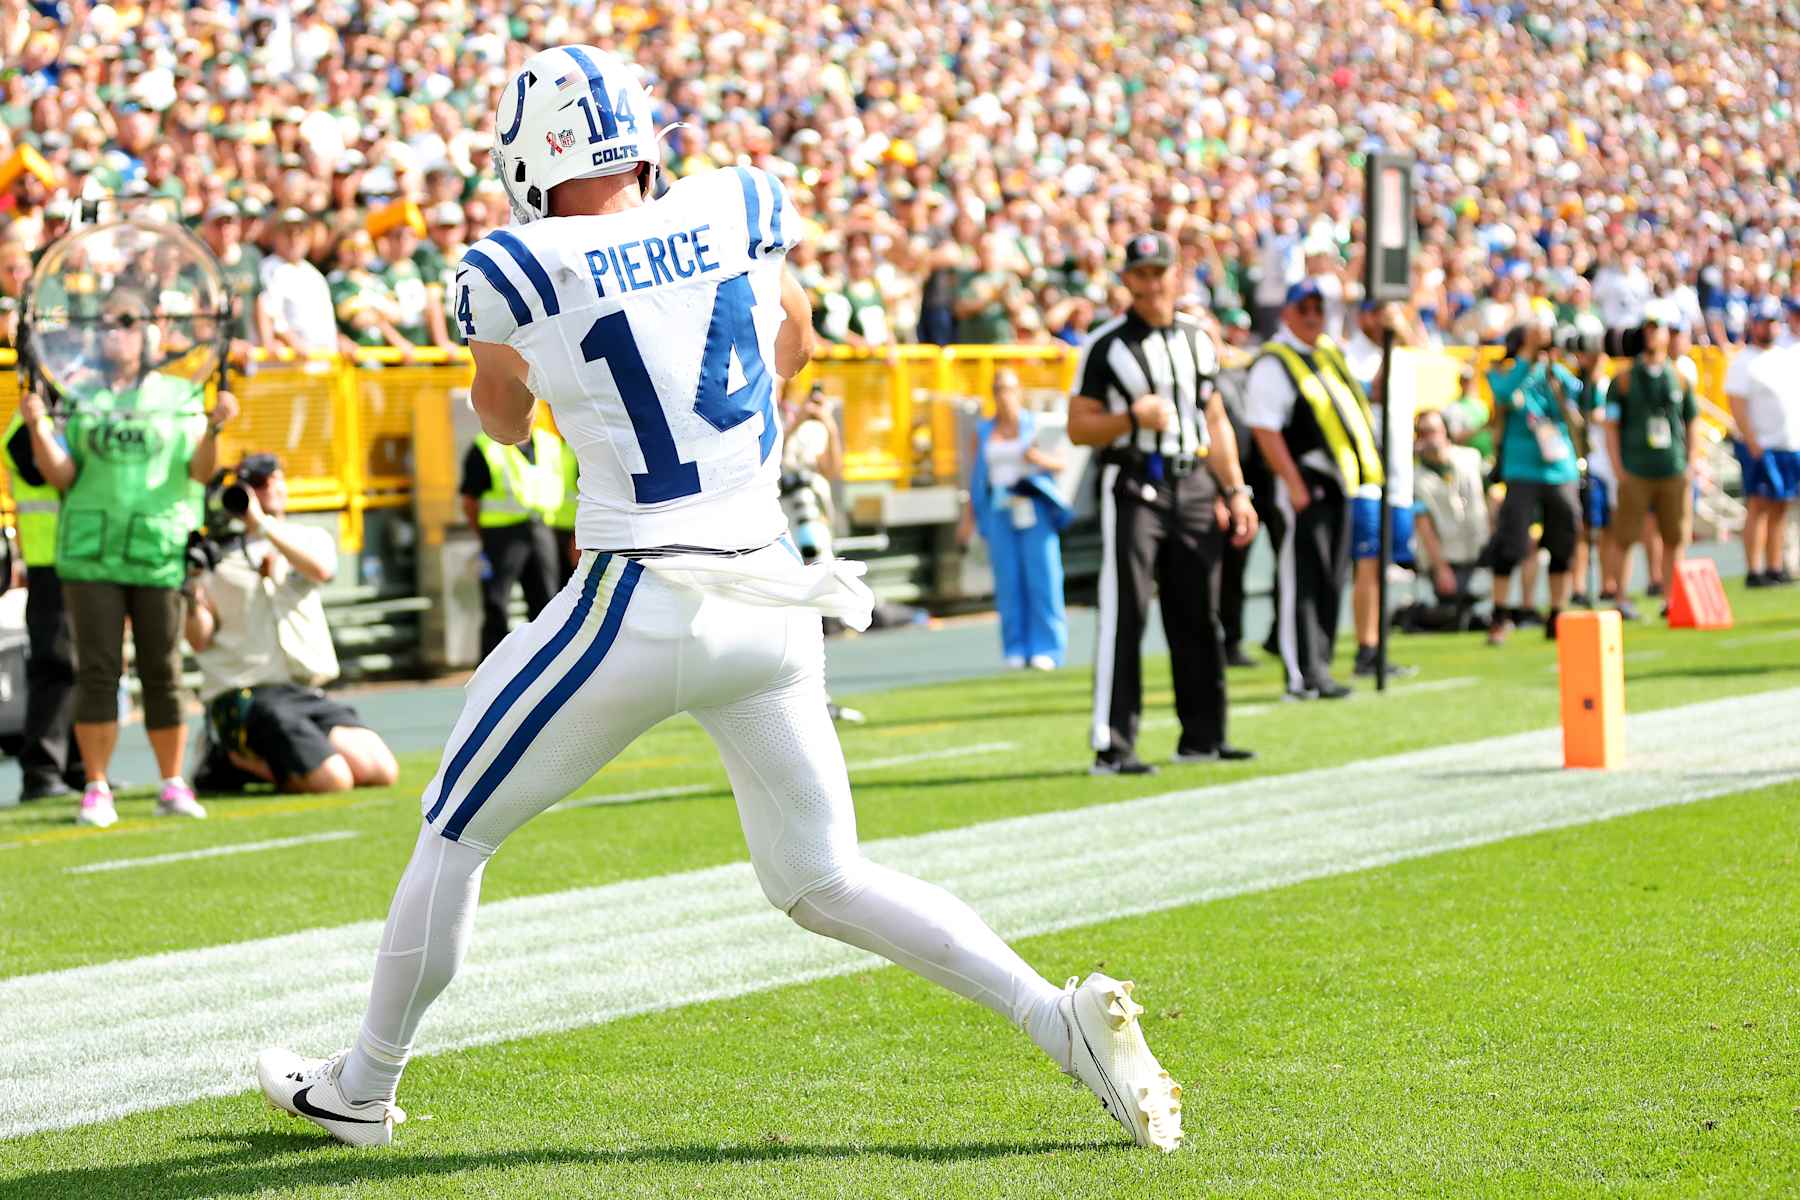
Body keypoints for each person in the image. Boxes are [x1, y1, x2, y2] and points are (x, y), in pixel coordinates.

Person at [256, 45, 1181, 1155]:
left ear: (528, 155)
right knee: (825, 874)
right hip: (771, 595)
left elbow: (500, 420)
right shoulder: (739, 199)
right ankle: (1055, 1018)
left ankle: (362, 1085)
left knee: (454, 828)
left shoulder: (516, 261)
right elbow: (792, 343)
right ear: (641, 138)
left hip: (638, 597)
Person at [17, 287, 238, 827]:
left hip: (157, 549)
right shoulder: (81, 392)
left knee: (164, 670)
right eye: (111, 322)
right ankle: (95, 786)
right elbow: (61, 476)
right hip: (92, 553)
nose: (120, 332)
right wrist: (39, 426)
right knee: (97, 670)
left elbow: (199, 472)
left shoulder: (180, 394)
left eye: (130, 321)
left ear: (151, 330)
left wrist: (214, 426)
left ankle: (172, 782)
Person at [1068, 231, 1259, 774]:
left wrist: (1235, 490)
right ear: (1127, 280)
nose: (1152, 283)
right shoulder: (1106, 345)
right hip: (1133, 483)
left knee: (1199, 612)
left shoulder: (1199, 340)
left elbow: (1214, 418)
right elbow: (1079, 426)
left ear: (1177, 275)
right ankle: (1114, 745)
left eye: (1160, 272)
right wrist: (1130, 419)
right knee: (1126, 612)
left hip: (1194, 481)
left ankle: (1203, 736)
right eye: (1142, 274)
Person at [184, 454, 399, 794]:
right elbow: (198, 640)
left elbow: (322, 570)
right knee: (334, 781)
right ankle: (225, 756)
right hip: (249, 695)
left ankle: (242, 760)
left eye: (275, 478)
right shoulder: (214, 556)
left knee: (381, 769)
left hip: (304, 691)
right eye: (256, 484)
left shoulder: (306, 537)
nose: (270, 487)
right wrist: (191, 589)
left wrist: (264, 526)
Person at [1246, 279, 1381, 700]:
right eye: (1303, 307)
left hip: (1339, 481)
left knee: (1329, 576)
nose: (1312, 315)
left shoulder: (1327, 353)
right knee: (1301, 578)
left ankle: (1319, 666)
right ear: (1286, 312)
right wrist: (1293, 483)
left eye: (1318, 308)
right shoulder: (1275, 361)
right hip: (1304, 479)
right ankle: (1301, 672)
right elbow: (1265, 428)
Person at [958, 368, 1071, 670]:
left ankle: (1047, 647)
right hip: (999, 509)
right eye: (997, 389)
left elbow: (1061, 462)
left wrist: (1038, 460)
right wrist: (968, 517)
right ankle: (1015, 647)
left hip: (1034, 509)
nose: (1003, 396)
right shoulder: (983, 431)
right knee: (1008, 582)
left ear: (1019, 391)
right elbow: (974, 476)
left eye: (1008, 389)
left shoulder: (1036, 425)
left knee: (1043, 578)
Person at [3, 403, 85, 802]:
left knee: (89, 665)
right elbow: (57, 475)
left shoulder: (81, 413)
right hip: (50, 558)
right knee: (55, 664)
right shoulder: (27, 425)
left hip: (88, 555)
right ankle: (43, 771)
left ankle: (83, 768)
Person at [1484, 319, 1583, 643]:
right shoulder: (1505, 369)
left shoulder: (1552, 370)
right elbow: (1503, 392)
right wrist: (1526, 356)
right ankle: (1500, 614)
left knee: (1563, 539)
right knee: (1511, 541)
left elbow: (1577, 394)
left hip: (1558, 467)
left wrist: (1553, 362)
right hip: (1521, 469)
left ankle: (1557, 613)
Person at [1603, 302, 1700, 615]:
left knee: (1674, 535)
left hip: (1671, 465)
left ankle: (1671, 599)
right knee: (1625, 536)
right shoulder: (1624, 380)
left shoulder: (1680, 377)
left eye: (1658, 329)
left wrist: (1691, 461)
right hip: (1636, 468)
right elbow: (1611, 426)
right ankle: (1621, 598)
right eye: (1648, 328)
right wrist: (1618, 467)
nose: (1652, 335)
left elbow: (1691, 421)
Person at [1341, 301, 1421, 678]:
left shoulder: (1402, 354)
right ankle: (1366, 647)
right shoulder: (1350, 355)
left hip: (1399, 473)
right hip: (1368, 473)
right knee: (1368, 563)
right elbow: (1372, 393)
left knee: (1387, 563)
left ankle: (1378, 642)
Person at [459, 424, 565, 660]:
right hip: (501, 536)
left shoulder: (550, 445)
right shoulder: (484, 447)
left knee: (548, 605)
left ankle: (548, 666)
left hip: (542, 530)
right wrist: (485, 534)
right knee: (496, 605)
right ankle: (493, 674)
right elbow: (469, 501)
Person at [1726, 296, 1798, 587]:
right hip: (1762, 443)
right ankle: (1754, 569)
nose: (1768, 328)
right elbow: (1736, 402)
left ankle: (1774, 564)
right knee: (1758, 504)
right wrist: (1751, 439)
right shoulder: (1744, 360)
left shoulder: (1783, 356)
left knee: (1781, 505)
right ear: (1753, 325)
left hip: (1787, 442)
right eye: (1763, 322)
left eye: (1772, 322)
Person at [1410, 407, 1491, 629]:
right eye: (1424, 432)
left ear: (1445, 430)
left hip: (1479, 549)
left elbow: (1491, 496)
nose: (1430, 437)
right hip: (1446, 556)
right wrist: (1440, 568)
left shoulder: (1471, 459)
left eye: (1434, 430)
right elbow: (1423, 525)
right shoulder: (1415, 477)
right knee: (1453, 614)